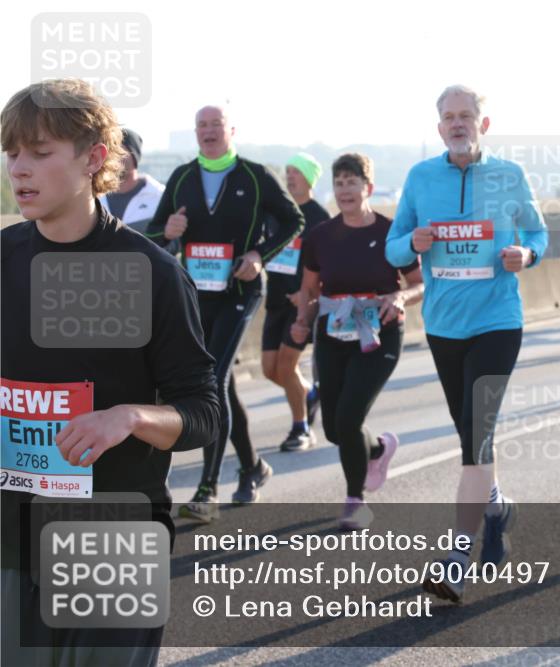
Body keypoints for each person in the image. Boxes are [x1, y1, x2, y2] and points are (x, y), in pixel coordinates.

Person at [2, 78, 220, 666]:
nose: (19, 169)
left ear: (94, 157)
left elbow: (203, 413)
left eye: (39, 152)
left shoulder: (153, 273)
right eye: (12, 153)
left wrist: (128, 418)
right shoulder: (4, 259)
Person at [386, 85, 548, 602]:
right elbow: (393, 248)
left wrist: (527, 254)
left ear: (484, 124)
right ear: (439, 128)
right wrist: (412, 244)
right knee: (471, 436)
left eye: (467, 116)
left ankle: (457, 557)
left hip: (497, 321)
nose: (458, 124)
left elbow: (539, 235)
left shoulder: (509, 175)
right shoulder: (420, 177)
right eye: (449, 117)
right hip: (443, 326)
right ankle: (497, 507)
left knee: (476, 436)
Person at [146, 104, 305, 522]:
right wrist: (168, 231)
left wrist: (259, 255)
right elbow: (155, 232)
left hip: (240, 291)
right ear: (195, 132)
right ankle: (252, 467)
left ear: (231, 130)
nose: (209, 131)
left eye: (216, 124)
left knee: (211, 381)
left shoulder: (254, 175)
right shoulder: (182, 177)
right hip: (197, 295)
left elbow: (294, 220)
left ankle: (208, 488)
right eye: (201, 125)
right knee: (224, 386)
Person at [291, 153, 423, 528]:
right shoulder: (320, 236)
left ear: (369, 187)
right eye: (339, 183)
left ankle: (355, 501)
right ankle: (378, 448)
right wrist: (302, 321)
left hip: (379, 335)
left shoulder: (391, 233)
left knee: (349, 418)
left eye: (352, 182)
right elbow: (309, 289)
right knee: (335, 429)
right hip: (333, 333)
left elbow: (419, 283)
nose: (345, 190)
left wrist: (399, 297)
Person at [262, 152, 327, 452]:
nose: (290, 177)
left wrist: (309, 293)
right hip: (275, 299)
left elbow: (329, 265)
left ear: (309, 178)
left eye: (296, 172)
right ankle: (309, 395)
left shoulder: (320, 218)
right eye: (287, 171)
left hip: (303, 304)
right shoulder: (278, 213)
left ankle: (301, 428)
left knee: (287, 365)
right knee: (270, 369)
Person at [98, 127, 165, 236]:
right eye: (112, 150)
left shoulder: (159, 196)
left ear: (135, 156)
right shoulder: (95, 198)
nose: (115, 157)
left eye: (121, 150)